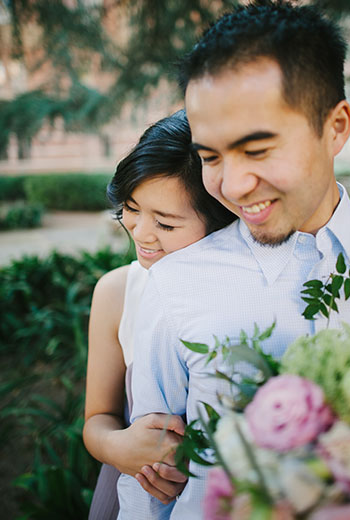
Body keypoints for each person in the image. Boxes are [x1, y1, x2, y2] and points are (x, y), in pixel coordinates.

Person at [117, 2, 350, 519]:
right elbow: (150, 485)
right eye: (210, 157)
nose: (233, 184)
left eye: (258, 148)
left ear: (336, 127)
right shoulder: (176, 283)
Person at [83, 111, 236, 519]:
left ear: (220, 222)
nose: (141, 232)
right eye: (132, 208)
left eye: (165, 223)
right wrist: (121, 448)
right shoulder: (117, 291)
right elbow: (98, 417)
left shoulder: (244, 298)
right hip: (129, 488)